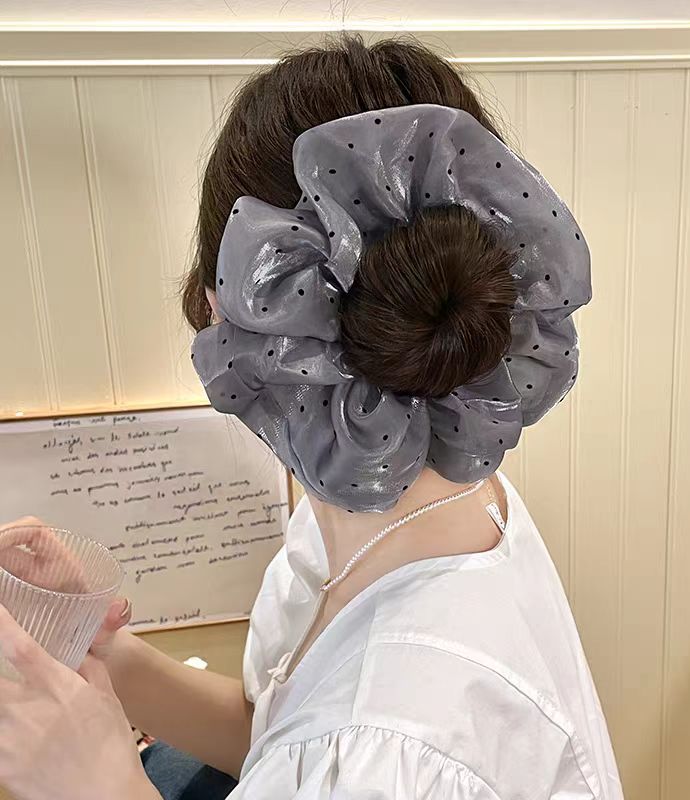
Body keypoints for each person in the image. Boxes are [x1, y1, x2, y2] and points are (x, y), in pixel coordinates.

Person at [0, 35, 623, 800]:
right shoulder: (412, 505)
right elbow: (281, 741)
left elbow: (342, 748)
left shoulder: (394, 743)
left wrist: (96, 784)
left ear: (226, 309)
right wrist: (101, 651)